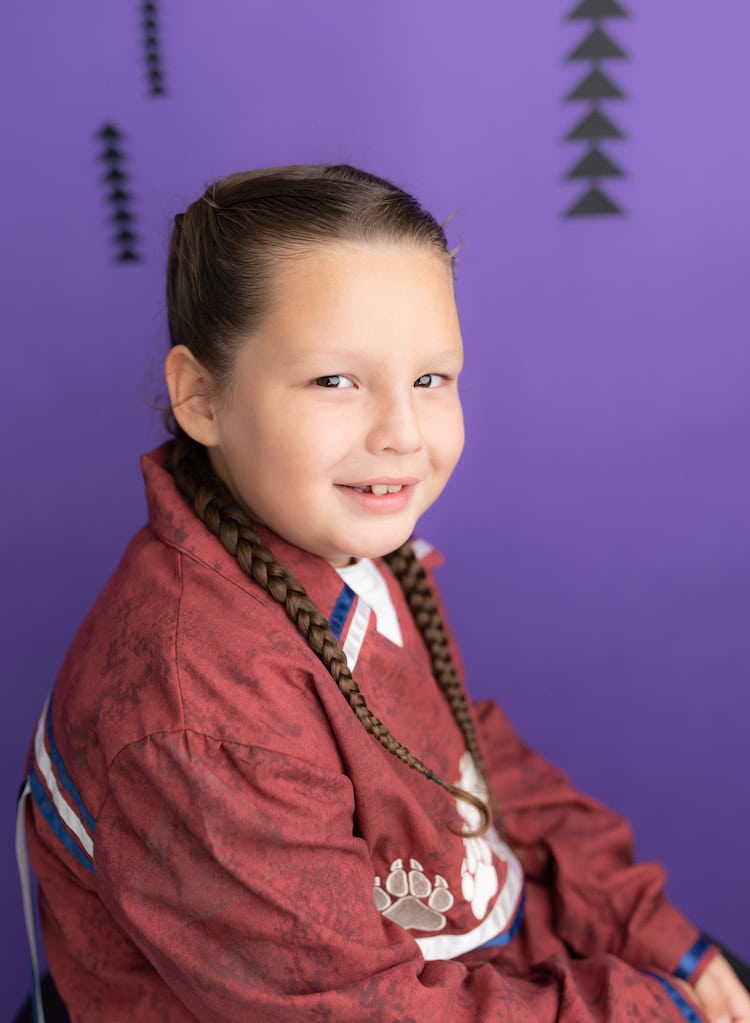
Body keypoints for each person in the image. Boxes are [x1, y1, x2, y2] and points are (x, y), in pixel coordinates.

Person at [20, 164, 750, 1022]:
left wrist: (656, 936)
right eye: (336, 380)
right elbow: (357, 1009)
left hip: (478, 955)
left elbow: (463, 760)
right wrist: (653, 1010)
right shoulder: (197, 711)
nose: (402, 432)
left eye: (432, 379)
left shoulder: (354, 549)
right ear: (202, 396)